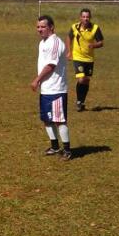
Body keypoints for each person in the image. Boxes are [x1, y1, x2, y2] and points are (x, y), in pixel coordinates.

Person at [30, 15, 72, 161]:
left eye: (43, 27)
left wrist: (37, 79)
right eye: (38, 27)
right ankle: (55, 147)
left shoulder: (55, 42)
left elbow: (51, 65)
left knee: (59, 120)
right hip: (46, 88)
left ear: (51, 27)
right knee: (47, 119)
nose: (39, 29)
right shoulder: (43, 42)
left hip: (56, 89)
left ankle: (67, 150)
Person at [65, 8, 104, 112]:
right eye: (84, 16)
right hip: (78, 57)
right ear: (80, 17)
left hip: (89, 59)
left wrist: (94, 45)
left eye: (87, 17)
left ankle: (81, 102)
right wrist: (69, 51)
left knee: (86, 80)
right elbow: (69, 38)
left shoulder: (95, 28)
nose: (85, 19)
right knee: (81, 79)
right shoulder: (75, 27)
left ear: (90, 18)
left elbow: (101, 42)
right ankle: (78, 101)